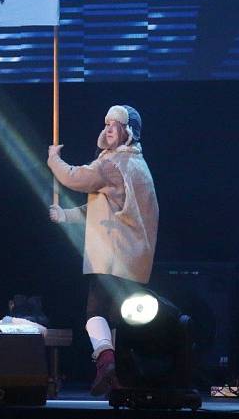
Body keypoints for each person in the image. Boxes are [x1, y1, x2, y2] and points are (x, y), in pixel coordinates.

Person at [47, 105, 158, 396]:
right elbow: (102, 204)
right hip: (133, 257)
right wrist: (67, 216)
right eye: (106, 123)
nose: (108, 129)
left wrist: (53, 160)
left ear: (128, 132)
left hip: (112, 254)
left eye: (115, 125)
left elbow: (76, 178)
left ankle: (105, 361)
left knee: (94, 313)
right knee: (116, 317)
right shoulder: (137, 164)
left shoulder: (113, 163)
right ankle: (119, 375)